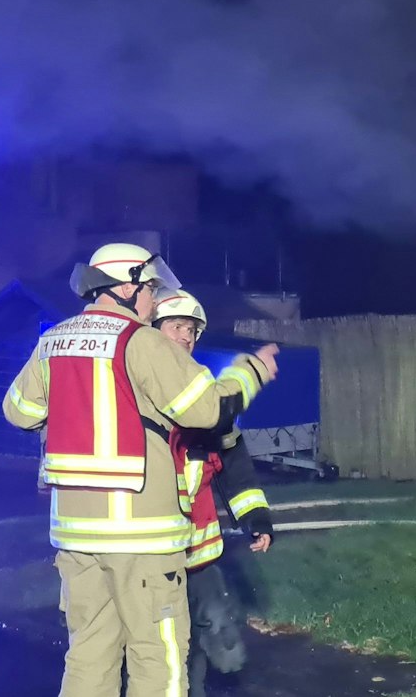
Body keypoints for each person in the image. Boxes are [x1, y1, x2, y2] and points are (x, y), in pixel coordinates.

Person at [1, 242, 278, 697]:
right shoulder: (141, 341)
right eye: (150, 288)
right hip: (142, 540)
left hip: (76, 538)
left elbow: (20, 412)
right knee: (158, 661)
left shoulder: (53, 341)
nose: (153, 299)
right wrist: (251, 371)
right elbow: (208, 409)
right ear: (126, 287)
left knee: (88, 657)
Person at [149, 292, 276, 697]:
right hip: (152, 560)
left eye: (191, 330)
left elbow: (233, 466)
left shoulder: (204, 393)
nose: (185, 337)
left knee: (221, 637)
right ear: (152, 332)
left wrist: (256, 519)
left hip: (200, 556)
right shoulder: (137, 391)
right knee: (165, 648)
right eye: (176, 327)